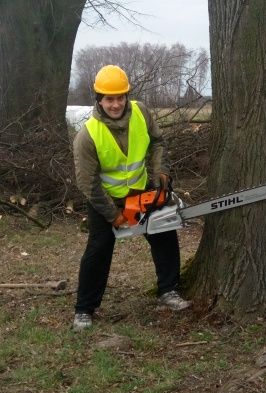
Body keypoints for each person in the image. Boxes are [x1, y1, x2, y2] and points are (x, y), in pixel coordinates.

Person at [71, 64, 191, 331]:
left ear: (127, 95)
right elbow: (87, 183)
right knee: (99, 247)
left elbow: (157, 142)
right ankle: (84, 308)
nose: (116, 104)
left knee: (164, 232)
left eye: (120, 97)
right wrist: (113, 216)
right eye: (109, 99)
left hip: (140, 189)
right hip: (106, 199)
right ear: (99, 100)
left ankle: (168, 290)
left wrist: (160, 172)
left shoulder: (141, 112)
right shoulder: (87, 135)